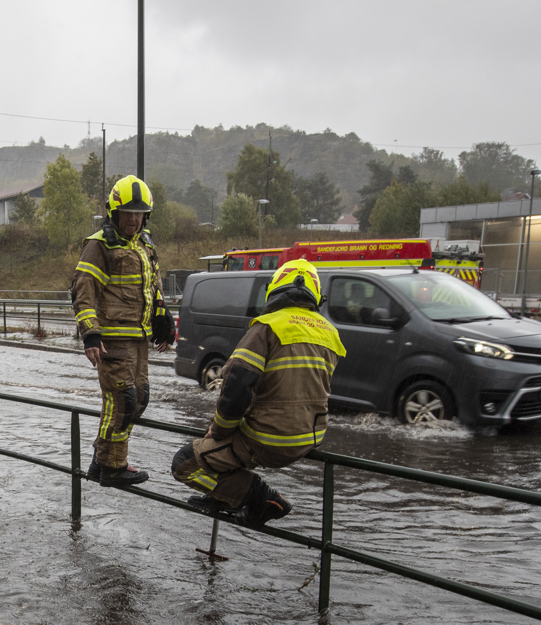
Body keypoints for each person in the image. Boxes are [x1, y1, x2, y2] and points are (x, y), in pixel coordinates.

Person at [171, 259, 346, 528]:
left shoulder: (267, 327)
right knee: (220, 454)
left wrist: (218, 431)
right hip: (309, 437)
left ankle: (258, 497)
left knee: (184, 463)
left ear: (276, 289)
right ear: (315, 294)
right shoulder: (329, 333)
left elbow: (237, 387)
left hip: (267, 439)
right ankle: (227, 497)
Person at [70, 175, 177, 486]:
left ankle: (101, 460)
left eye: (139, 213)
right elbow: (83, 291)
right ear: (114, 213)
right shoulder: (99, 245)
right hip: (112, 340)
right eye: (128, 213)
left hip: (138, 338)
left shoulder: (145, 245)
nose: (133, 219)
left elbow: (152, 287)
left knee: (140, 399)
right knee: (124, 401)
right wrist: (90, 334)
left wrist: (165, 319)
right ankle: (112, 465)